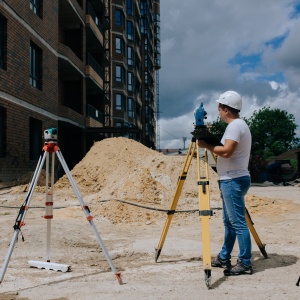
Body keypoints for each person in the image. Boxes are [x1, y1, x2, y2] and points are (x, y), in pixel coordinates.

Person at [197, 91, 253, 276]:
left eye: (220, 109)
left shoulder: (235, 126)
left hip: (233, 179)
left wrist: (206, 146)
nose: (218, 112)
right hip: (232, 178)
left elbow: (227, 151)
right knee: (229, 223)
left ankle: (245, 263)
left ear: (227, 110)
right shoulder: (239, 125)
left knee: (237, 223)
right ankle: (224, 257)